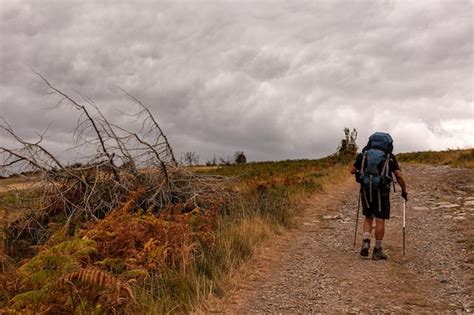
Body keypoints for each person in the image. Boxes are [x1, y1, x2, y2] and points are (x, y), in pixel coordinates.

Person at [350, 132, 408, 260]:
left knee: (368, 217)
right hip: (382, 190)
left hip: (366, 189)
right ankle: (377, 250)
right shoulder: (389, 157)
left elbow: (352, 170)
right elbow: (398, 175)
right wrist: (404, 190)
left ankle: (365, 242)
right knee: (380, 219)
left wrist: (363, 172)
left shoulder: (364, 155)